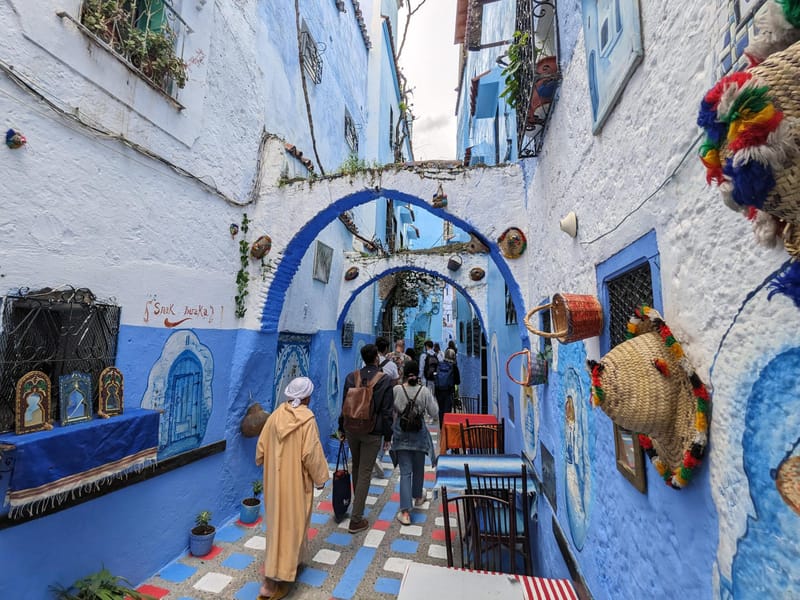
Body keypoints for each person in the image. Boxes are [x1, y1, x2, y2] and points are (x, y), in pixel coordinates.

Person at [255, 377, 329, 600]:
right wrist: (320, 478)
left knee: (277, 526)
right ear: (306, 396)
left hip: (275, 484)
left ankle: (273, 577)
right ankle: (279, 579)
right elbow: (311, 453)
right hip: (295, 483)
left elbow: (261, 449)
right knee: (293, 527)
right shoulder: (307, 420)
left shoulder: (276, 415)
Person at [339, 344, 394, 533]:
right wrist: (388, 435)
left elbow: (344, 405)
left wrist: (342, 429)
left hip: (352, 429)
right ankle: (356, 518)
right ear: (377, 358)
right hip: (373, 431)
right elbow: (387, 412)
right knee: (365, 472)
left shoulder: (351, 377)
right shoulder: (384, 380)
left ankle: (356, 504)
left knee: (356, 466)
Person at [392, 360, 438, 525]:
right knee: (419, 469)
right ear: (417, 374)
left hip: (401, 435)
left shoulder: (397, 390)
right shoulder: (424, 391)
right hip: (419, 435)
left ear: (404, 373)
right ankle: (418, 496)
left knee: (405, 473)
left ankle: (405, 513)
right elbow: (434, 412)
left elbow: (392, 411)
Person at [373, 336, 400, 478]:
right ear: (386, 349)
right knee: (385, 427)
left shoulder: (368, 361)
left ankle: (371, 454)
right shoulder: (391, 365)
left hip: (371, 400)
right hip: (386, 401)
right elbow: (395, 383)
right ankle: (379, 456)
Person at [434, 348, 461, 428]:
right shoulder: (454, 367)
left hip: (438, 390)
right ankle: (446, 429)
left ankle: (441, 428)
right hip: (448, 391)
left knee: (441, 409)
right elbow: (458, 381)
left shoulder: (440, 364)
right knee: (447, 410)